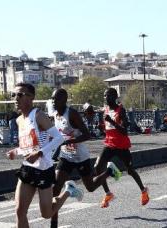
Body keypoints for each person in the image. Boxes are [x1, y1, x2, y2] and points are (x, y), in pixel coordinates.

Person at [6, 83, 83, 228]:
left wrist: (40, 153)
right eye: (14, 95)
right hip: (27, 169)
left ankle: (68, 191)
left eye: (20, 94)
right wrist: (15, 151)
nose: (16, 98)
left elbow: (59, 139)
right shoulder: (19, 120)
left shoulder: (39, 116)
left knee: (46, 214)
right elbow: (27, 146)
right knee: (19, 212)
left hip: (43, 170)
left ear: (31, 97)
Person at [50, 89, 121, 228]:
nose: (53, 102)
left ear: (64, 100)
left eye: (56, 99)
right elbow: (58, 134)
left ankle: (109, 171)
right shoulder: (54, 114)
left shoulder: (72, 114)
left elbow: (87, 135)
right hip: (65, 156)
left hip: (80, 156)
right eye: (52, 99)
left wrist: (68, 141)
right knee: (55, 189)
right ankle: (54, 225)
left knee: (91, 187)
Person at [94, 88, 149, 208]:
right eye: (104, 96)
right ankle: (108, 194)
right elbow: (108, 128)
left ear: (114, 97)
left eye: (107, 96)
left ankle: (143, 190)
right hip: (109, 144)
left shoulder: (121, 110)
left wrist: (112, 121)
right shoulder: (106, 110)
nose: (105, 98)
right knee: (98, 167)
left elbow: (124, 131)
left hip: (121, 146)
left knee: (130, 170)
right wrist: (101, 127)